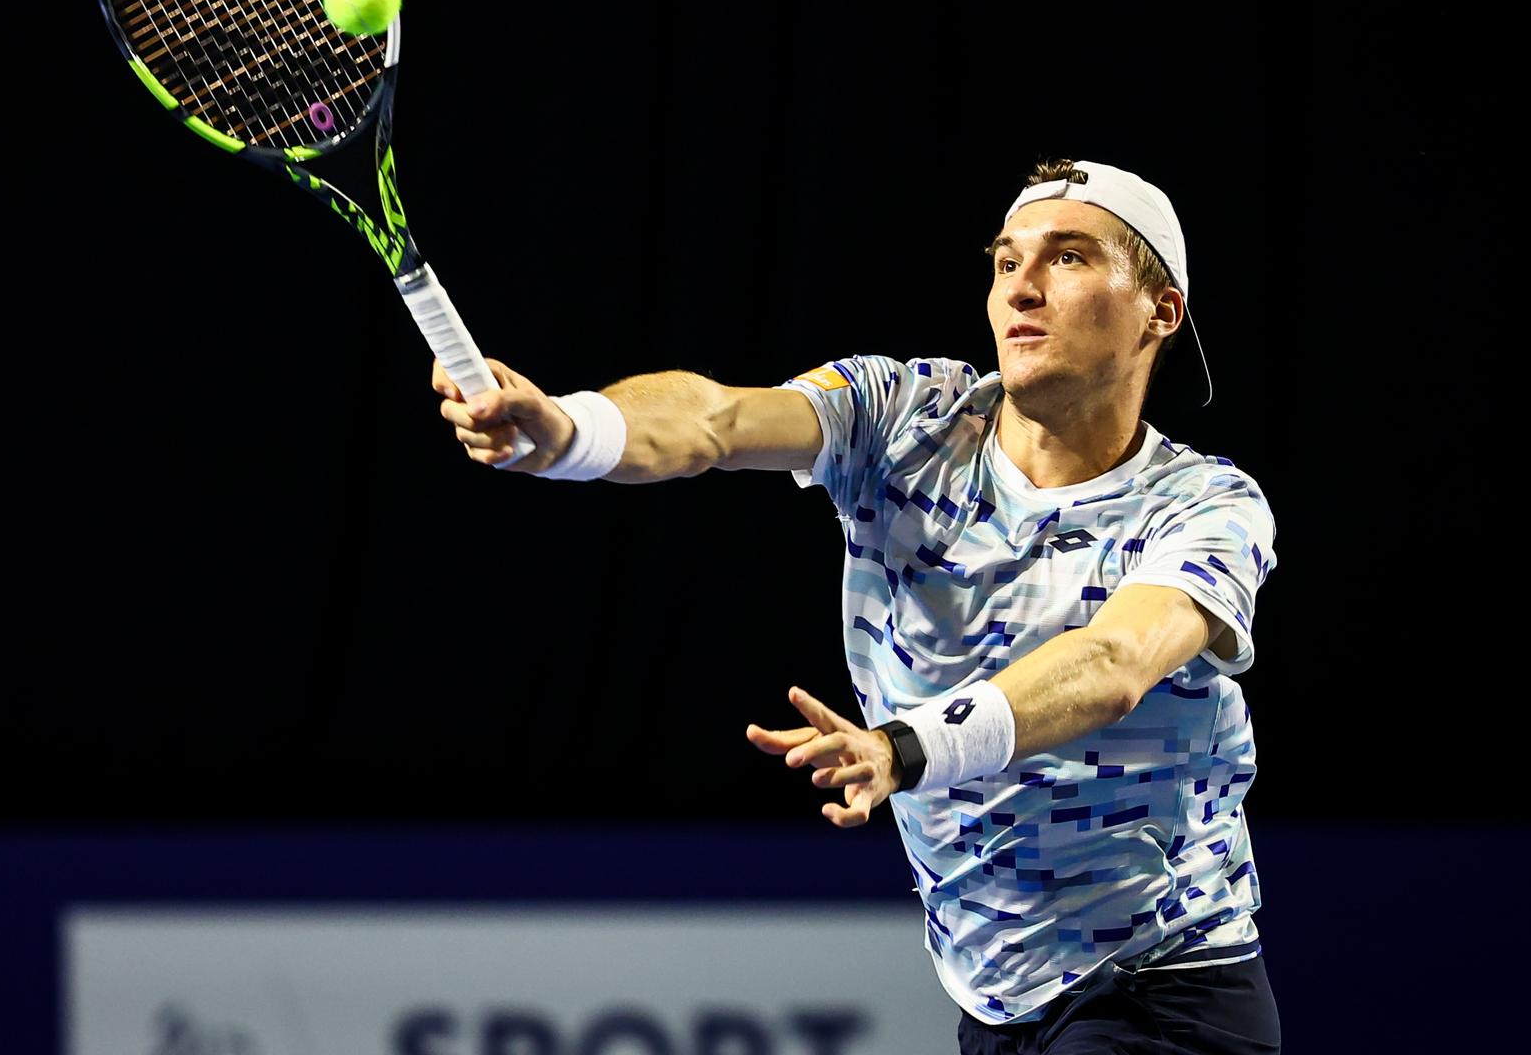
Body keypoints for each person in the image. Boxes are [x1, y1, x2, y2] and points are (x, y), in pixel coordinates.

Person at [431, 159, 1282, 1054]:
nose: (1022, 288)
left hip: (1161, 988)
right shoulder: (901, 414)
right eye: (1004, 262)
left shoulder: (1206, 506)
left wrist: (902, 749)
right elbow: (714, 418)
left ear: (1162, 310)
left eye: (1068, 258)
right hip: (993, 998)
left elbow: (1112, 666)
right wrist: (574, 434)